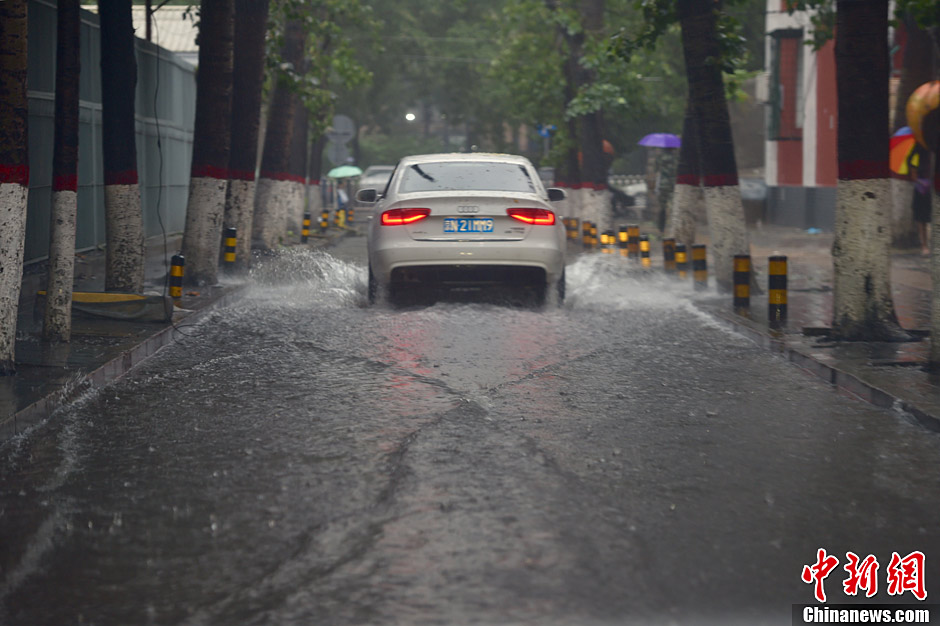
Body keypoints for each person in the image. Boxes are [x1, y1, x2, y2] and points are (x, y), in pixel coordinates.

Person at [911, 146, 932, 256]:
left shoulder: (932, 152)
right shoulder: (915, 155)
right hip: (920, 192)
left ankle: (928, 244)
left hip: (931, 192)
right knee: (921, 220)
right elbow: (913, 175)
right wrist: (923, 183)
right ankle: (924, 245)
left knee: (929, 219)